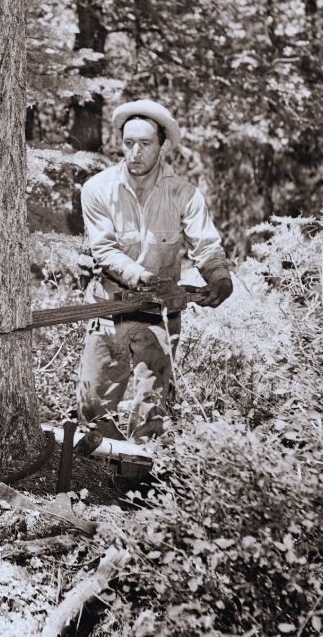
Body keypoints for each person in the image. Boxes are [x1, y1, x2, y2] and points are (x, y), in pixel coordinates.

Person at [76, 99, 233, 441]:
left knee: (151, 411)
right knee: (92, 408)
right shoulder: (97, 189)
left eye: (145, 144)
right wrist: (144, 278)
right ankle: (91, 482)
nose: (135, 152)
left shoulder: (184, 194)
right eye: (128, 142)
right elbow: (104, 250)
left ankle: (135, 484)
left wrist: (220, 279)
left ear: (162, 146)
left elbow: (205, 246)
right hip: (109, 309)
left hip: (160, 316)